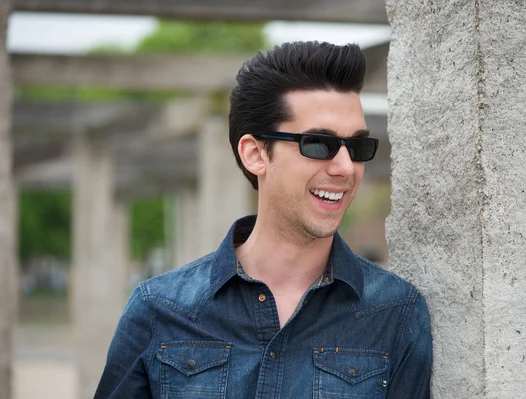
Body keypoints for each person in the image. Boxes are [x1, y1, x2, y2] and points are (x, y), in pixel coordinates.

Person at [95, 41, 432, 398]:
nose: (346, 168)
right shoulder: (158, 310)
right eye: (318, 144)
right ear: (255, 154)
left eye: (358, 147)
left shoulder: (396, 314)